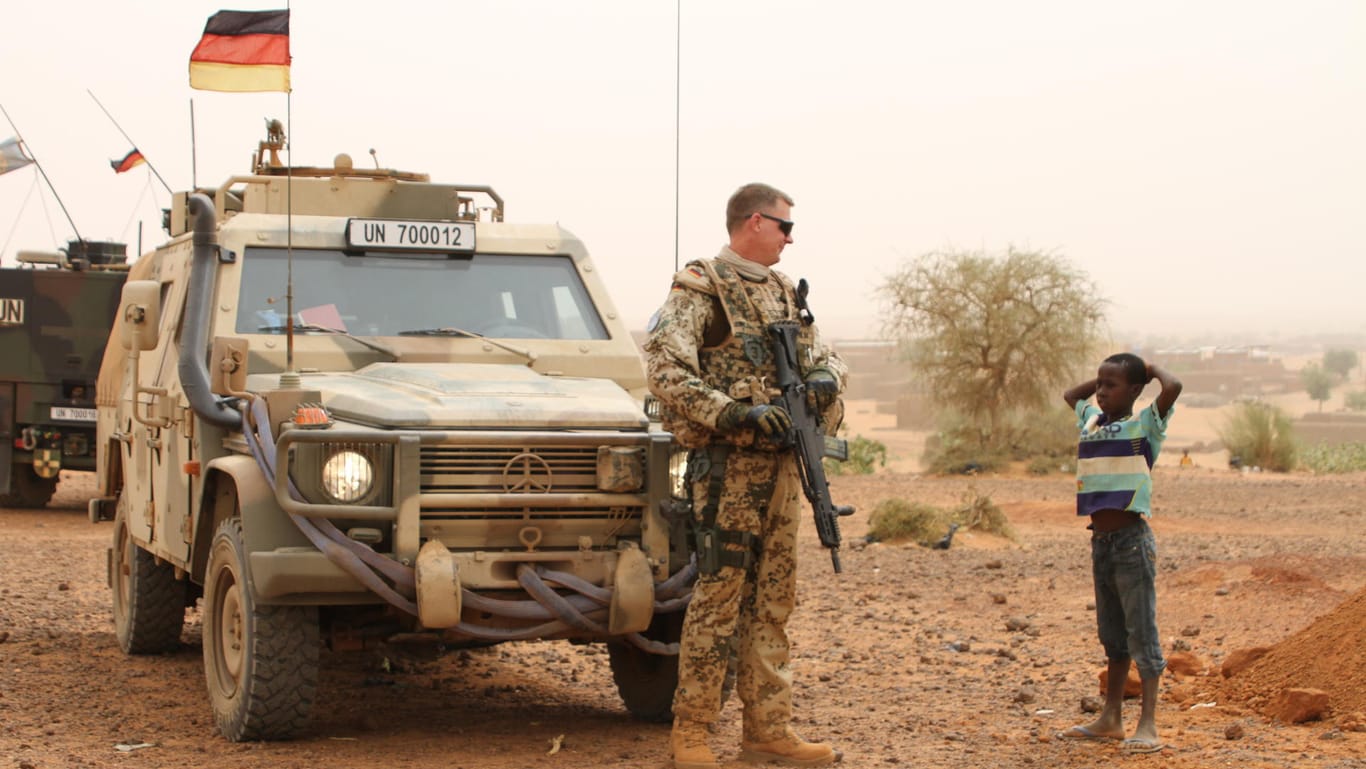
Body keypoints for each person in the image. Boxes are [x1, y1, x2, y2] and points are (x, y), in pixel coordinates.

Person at [644, 183, 845, 769]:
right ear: (754, 222)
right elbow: (664, 367)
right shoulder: (702, 284)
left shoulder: (785, 292)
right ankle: (692, 732)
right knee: (719, 599)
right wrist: (732, 412)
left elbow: (824, 355)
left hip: (782, 467)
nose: (789, 238)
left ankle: (767, 730)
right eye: (785, 227)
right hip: (729, 469)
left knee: (774, 601)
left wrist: (826, 379)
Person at [1058, 353, 1182, 754]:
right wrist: (1103, 377)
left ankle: (1147, 723)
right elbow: (1069, 394)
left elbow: (1173, 387)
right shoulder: (1092, 421)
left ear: (1134, 391)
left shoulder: (1145, 425)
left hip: (1131, 542)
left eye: (1112, 385)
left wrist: (1148, 370)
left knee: (1141, 632)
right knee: (1113, 636)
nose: (1100, 391)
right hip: (1101, 542)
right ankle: (1111, 717)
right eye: (1099, 383)